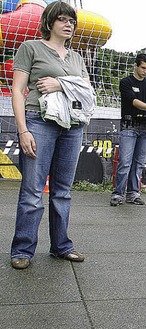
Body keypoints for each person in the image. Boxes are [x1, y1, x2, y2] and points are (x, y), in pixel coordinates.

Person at [9, 1, 95, 270]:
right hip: (38, 121)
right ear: (49, 22)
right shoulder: (31, 48)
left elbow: (87, 91)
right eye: (63, 19)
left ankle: (61, 246)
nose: (69, 24)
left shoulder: (76, 57)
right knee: (33, 190)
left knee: (63, 191)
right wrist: (23, 130)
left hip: (72, 125)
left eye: (72, 21)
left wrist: (60, 83)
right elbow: (17, 91)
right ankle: (22, 249)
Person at [111, 53, 146, 206]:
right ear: (136, 66)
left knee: (138, 163)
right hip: (129, 126)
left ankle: (133, 193)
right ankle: (118, 194)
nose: (145, 71)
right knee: (125, 161)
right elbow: (133, 101)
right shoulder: (126, 82)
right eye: (143, 68)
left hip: (145, 128)